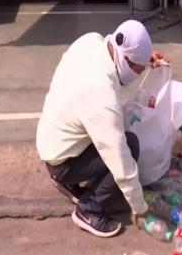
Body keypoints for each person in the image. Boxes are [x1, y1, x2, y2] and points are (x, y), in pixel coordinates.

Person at [36, 20, 168, 237]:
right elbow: (120, 160)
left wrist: (143, 57)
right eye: (139, 68)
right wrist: (139, 207)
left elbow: (115, 88)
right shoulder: (101, 95)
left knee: (111, 131)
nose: (140, 72)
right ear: (126, 60)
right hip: (63, 161)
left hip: (52, 139)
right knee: (129, 146)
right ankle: (88, 209)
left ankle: (71, 181)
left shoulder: (91, 41)